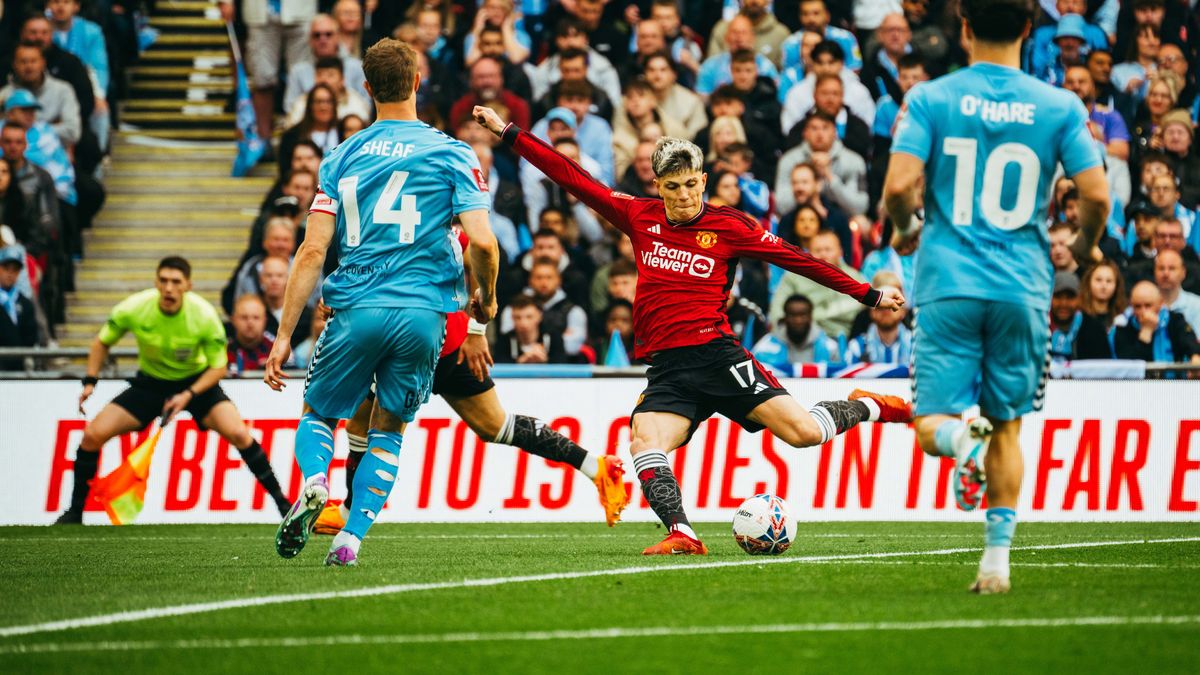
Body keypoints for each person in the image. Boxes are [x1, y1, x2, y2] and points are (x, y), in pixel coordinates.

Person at [473, 103, 907, 556]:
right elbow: (573, 177)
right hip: (669, 369)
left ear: (703, 180)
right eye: (673, 187)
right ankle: (684, 534)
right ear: (658, 186)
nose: (683, 196)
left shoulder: (730, 226)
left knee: (804, 435)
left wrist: (867, 293)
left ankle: (869, 405)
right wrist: (508, 132)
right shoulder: (640, 216)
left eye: (691, 184)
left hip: (718, 357)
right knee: (644, 438)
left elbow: (800, 259)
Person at [883, 0, 1110, 594]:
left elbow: (899, 186)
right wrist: (1084, 246)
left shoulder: (931, 99)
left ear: (963, 29)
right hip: (1022, 287)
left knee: (933, 421)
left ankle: (962, 442)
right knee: (1008, 425)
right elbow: (1097, 194)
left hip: (948, 284)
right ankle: (995, 565)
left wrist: (906, 230)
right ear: (1030, 30)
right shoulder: (1060, 105)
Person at [263, 39, 500, 568]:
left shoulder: (341, 156)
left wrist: (283, 337)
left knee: (321, 413)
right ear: (418, 83)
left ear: (366, 89)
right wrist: (485, 297)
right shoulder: (452, 152)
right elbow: (483, 242)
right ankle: (351, 539)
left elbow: (311, 251)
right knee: (389, 428)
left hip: (356, 308)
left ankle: (318, 481)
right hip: (423, 315)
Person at [55, 257, 291, 524]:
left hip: (197, 383)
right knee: (92, 435)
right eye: (163, 281)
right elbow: (101, 343)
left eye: (176, 282)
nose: (169, 288)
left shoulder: (203, 316)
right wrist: (90, 381)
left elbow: (219, 368)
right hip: (150, 384)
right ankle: (75, 512)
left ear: (187, 286)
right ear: (156, 282)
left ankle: (283, 504)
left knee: (239, 432)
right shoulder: (133, 308)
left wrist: (187, 395)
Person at [218, 0, 316, 144]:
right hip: (260, 13)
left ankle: (303, 141)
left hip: (301, 10)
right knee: (262, 78)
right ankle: (262, 142)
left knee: (302, 78)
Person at [1112, 281, 1200, 363]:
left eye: (1148, 305)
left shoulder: (1174, 319)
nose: (1143, 311)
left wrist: (1194, 356)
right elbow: (1129, 365)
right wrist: (1146, 332)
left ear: (1160, 303)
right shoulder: (1123, 327)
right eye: (1137, 306)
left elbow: (1189, 341)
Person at [751, 293, 840, 371]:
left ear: (810, 316)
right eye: (792, 315)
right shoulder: (765, 347)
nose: (798, 320)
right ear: (785, 317)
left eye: (802, 315)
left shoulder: (830, 348)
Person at [1048, 271, 1112, 362]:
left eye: (1070, 297)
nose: (1063, 303)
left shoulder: (1094, 330)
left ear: (1079, 299)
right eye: (1058, 296)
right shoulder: (1040, 326)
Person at [0, 246, 37, 370]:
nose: (10, 273)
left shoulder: (25, 303)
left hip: (17, 370)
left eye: (15, 270)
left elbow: (31, 336)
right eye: (6, 268)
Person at [226, 294, 279, 375]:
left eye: (256, 317)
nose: (250, 323)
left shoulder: (278, 348)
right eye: (244, 317)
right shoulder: (222, 349)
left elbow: (293, 378)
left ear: (265, 320)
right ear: (233, 320)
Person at [1156, 249, 1200, 333]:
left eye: (1172, 268)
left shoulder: (1197, 306)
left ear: (1183, 272)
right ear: (1154, 272)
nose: (1166, 273)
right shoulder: (1144, 305)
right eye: (1161, 268)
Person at [1079, 258, 1127, 328]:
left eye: (1109, 281)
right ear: (1088, 282)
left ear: (1116, 285)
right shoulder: (1078, 316)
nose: (1104, 286)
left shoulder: (1122, 317)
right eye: (1098, 280)